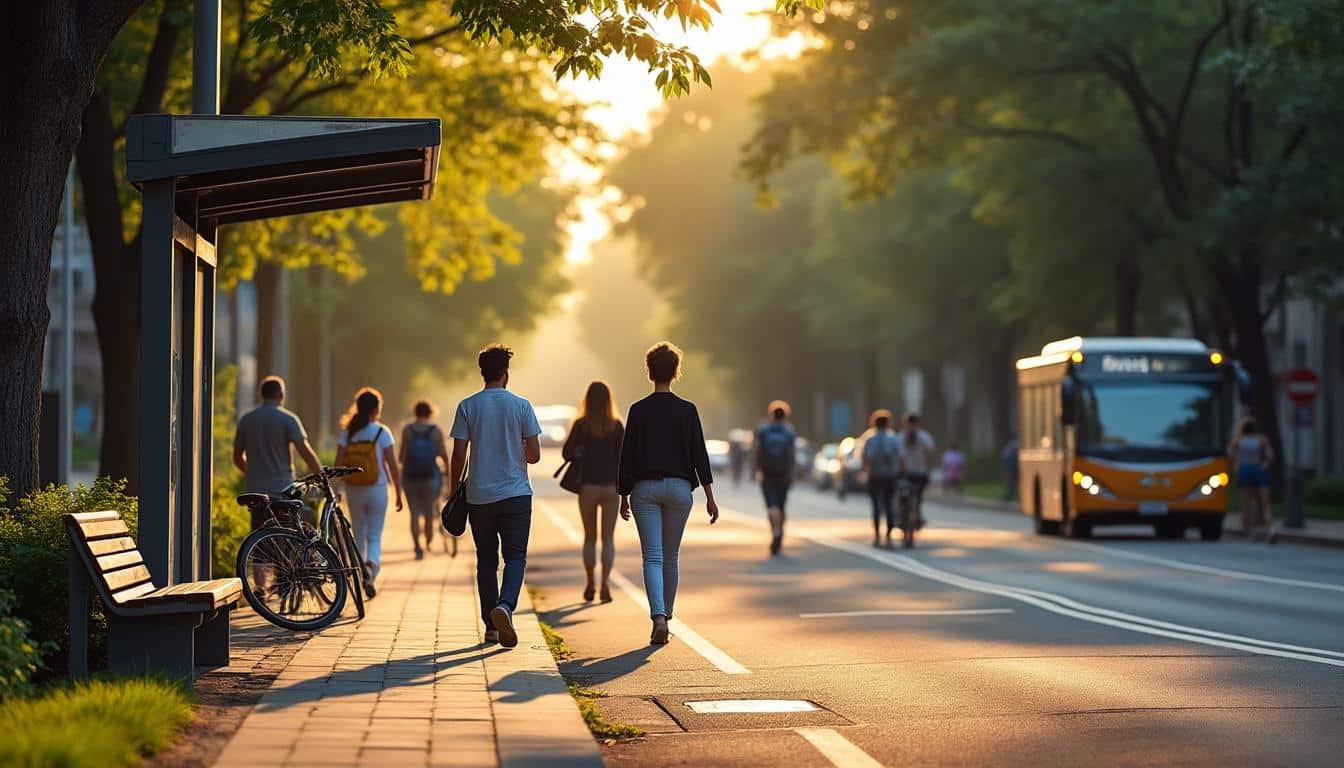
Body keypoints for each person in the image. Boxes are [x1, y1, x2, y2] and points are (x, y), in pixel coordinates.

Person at [618, 341, 719, 645]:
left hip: (644, 489)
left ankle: (658, 616)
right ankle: (668, 616)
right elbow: (699, 454)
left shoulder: (637, 410)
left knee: (653, 557)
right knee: (671, 556)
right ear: (676, 372)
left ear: (649, 372)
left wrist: (623, 495)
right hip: (679, 489)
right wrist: (710, 497)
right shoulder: (687, 410)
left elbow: (628, 456)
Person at [449, 344, 542, 648]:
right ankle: (506, 606)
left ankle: (490, 626)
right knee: (515, 557)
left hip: (479, 496)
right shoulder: (521, 406)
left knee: (486, 560)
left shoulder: (468, 406)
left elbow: (458, 454)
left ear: (483, 372)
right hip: (516, 494)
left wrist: (453, 490)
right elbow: (534, 455)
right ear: (505, 373)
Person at [335, 387, 403, 599]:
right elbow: (392, 465)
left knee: (359, 534)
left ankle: (360, 570)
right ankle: (371, 569)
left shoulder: (348, 432)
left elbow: (338, 463)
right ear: (376, 409)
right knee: (375, 535)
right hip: (377, 488)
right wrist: (399, 493)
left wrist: (336, 489)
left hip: (353, 489)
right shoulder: (382, 432)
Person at [562, 381, 625, 603]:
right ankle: (605, 584)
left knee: (590, 538)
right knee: (608, 539)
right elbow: (624, 459)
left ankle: (590, 582)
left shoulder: (581, 425)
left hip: (588, 486)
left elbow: (566, 453)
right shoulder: (617, 426)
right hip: (611, 488)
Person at [233, 375, 322, 529]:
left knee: (259, 531)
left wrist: (252, 472)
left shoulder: (247, 420)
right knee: (283, 530)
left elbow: (237, 456)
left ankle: (256, 552)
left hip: (256, 489)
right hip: (281, 488)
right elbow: (305, 452)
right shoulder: (288, 419)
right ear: (281, 395)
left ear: (261, 395)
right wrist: (320, 475)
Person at [400, 399, 453, 560]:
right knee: (429, 512)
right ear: (430, 412)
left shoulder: (407, 430)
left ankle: (417, 548)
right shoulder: (436, 431)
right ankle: (428, 542)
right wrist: (448, 477)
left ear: (415, 412)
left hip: (410, 477)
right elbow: (444, 456)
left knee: (414, 513)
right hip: (431, 477)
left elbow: (401, 457)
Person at [754, 400, 796, 555]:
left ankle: (776, 531)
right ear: (785, 415)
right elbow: (792, 453)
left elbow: (757, 451)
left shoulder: (764, 430)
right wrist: (792, 471)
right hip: (784, 473)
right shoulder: (789, 431)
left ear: (772, 414)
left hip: (767, 473)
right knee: (782, 506)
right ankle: (780, 531)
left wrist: (756, 469)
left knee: (771, 506)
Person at [1229, 416, 1277, 543]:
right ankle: (1270, 529)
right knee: (1265, 504)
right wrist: (1264, 465)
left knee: (1246, 504)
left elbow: (1231, 456)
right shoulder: (1261, 439)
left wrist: (1236, 467)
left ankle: (1250, 532)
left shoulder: (1238, 440)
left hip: (1244, 470)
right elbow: (1270, 456)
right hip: (1258, 469)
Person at [861, 409, 901, 548]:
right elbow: (900, 457)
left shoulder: (870, 439)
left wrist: (865, 471)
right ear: (888, 423)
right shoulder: (894, 438)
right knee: (889, 505)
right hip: (890, 476)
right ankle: (888, 536)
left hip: (875, 476)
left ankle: (877, 536)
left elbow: (867, 458)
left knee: (876, 506)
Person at [897, 412, 936, 529]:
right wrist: (928, 471)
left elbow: (898, 457)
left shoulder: (900, 437)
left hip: (907, 474)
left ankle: (904, 517)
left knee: (905, 497)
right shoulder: (925, 437)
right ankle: (916, 515)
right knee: (917, 498)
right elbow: (930, 456)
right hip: (920, 473)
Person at [1000, 433, 1020, 501]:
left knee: (1010, 482)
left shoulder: (1010, 447)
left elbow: (1005, 458)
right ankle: (1009, 496)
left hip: (1010, 467)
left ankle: (1008, 496)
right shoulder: (1014, 446)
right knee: (1011, 483)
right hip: (1011, 467)